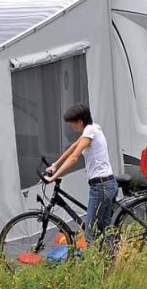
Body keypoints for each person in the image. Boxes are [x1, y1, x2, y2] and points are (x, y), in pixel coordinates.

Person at [44, 103, 118, 245]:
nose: (72, 127)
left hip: (101, 186)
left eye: (72, 124)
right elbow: (73, 147)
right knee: (104, 230)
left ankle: (99, 263)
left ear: (80, 121)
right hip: (107, 184)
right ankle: (110, 260)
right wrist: (55, 164)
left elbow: (74, 157)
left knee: (90, 232)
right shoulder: (93, 128)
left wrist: (54, 176)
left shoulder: (90, 131)